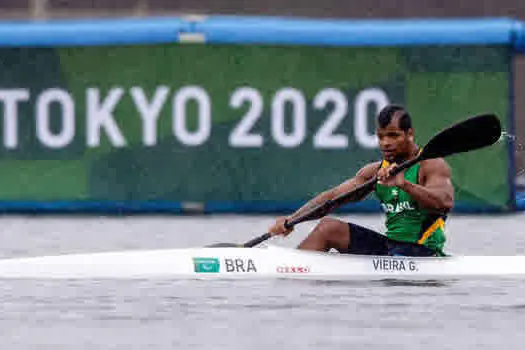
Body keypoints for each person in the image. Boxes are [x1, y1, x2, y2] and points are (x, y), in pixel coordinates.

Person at [268, 104, 454, 257]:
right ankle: (290, 270)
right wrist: (292, 220)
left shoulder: (431, 165)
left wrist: (404, 184)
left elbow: (444, 202)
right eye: (381, 136)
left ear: (410, 134)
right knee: (328, 228)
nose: (385, 143)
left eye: (393, 135)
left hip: (423, 253)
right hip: (391, 248)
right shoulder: (375, 171)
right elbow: (332, 198)